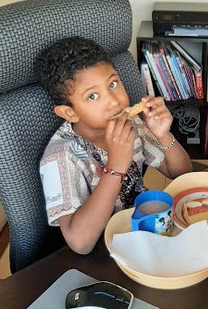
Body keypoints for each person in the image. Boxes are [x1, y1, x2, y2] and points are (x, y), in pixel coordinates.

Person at [37, 36, 192, 254]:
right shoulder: (61, 156)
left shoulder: (132, 124)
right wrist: (116, 165)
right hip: (103, 251)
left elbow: (181, 172)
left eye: (113, 84)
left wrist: (164, 134)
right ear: (69, 112)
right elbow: (81, 243)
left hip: (140, 231)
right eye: (92, 96)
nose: (114, 100)